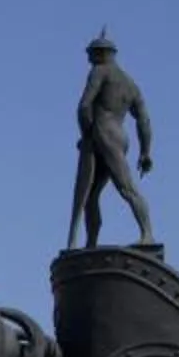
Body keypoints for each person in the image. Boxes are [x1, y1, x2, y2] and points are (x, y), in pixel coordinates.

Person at [65, 32, 156, 248]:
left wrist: (86, 134)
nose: (89, 58)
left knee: (124, 187)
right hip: (120, 135)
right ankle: (91, 243)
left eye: (92, 53)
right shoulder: (130, 83)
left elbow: (84, 106)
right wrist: (145, 151)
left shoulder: (100, 72)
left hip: (103, 132)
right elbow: (144, 119)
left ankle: (147, 234)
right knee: (92, 195)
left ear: (102, 54)